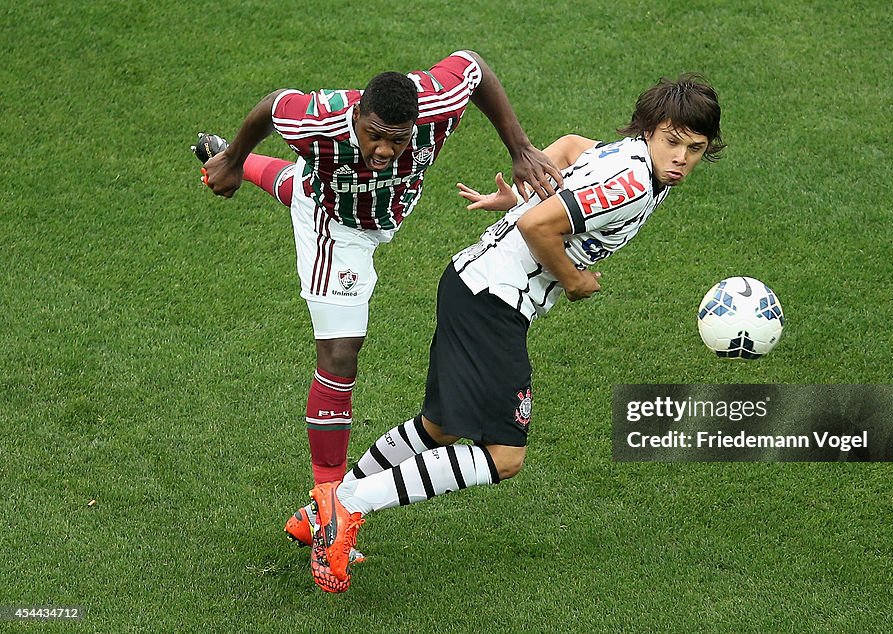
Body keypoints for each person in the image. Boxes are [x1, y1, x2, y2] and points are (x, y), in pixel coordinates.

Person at [301, 73, 726, 592]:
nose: (681, 157)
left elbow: (570, 149)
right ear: (649, 132)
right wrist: (573, 279)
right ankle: (347, 505)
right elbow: (539, 227)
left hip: (469, 284)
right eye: (672, 142)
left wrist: (523, 195)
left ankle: (318, 513)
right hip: (494, 303)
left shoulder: (632, 157)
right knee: (505, 457)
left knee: (438, 428)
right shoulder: (635, 182)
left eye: (695, 148)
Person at [194, 51, 563, 547]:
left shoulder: (437, 102)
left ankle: (239, 160)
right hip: (337, 227)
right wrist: (235, 160)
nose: (385, 148)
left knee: (308, 184)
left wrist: (520, 148)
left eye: (399, 138)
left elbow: (474, 66)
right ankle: (329, 503)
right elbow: (271, 104)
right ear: (356, 116)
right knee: (342, 351)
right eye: (374, 134)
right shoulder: (318, 120)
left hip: (376, 213)